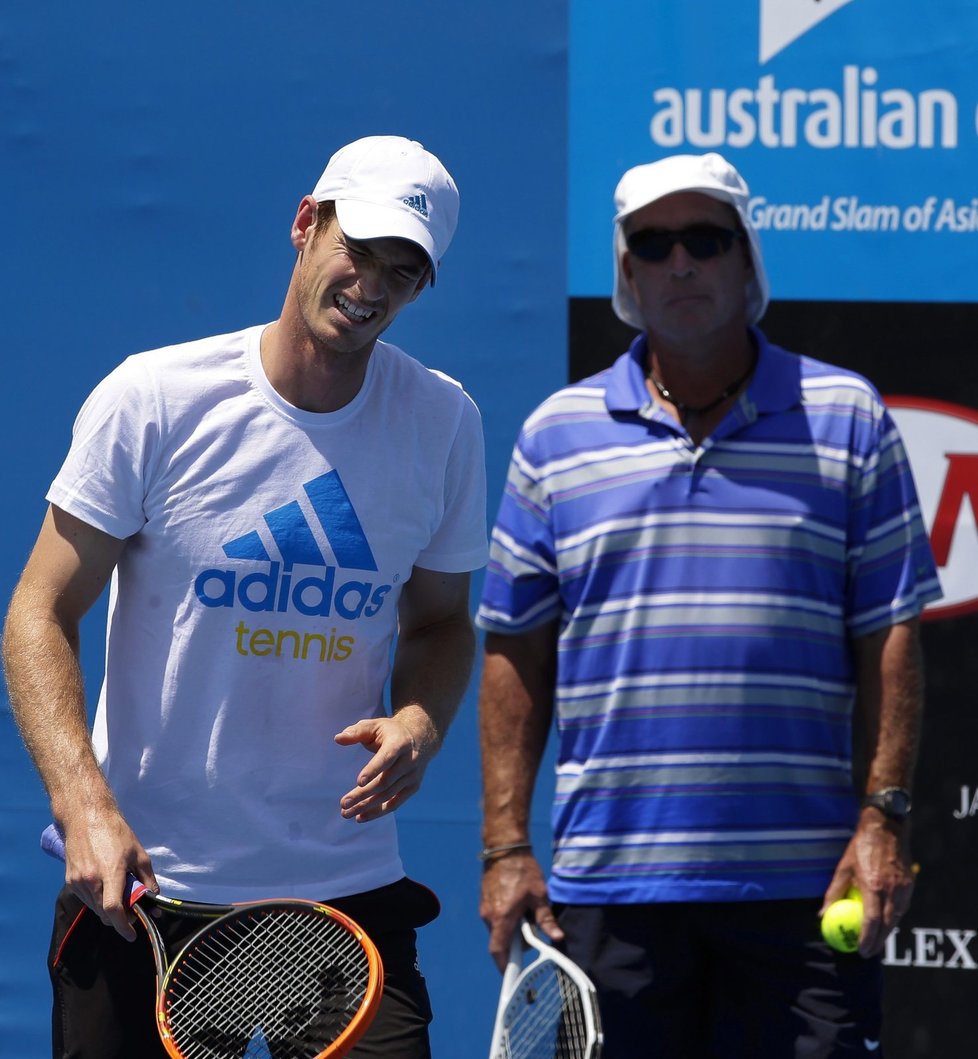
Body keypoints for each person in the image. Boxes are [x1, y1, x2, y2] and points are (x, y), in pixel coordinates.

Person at [2, 134, 487, 1059]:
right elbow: (39, 610)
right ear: (307, 226)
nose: (373, 286)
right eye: (360, 249)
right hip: (145, 894)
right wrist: (84, 805)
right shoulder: (155, 398)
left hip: (342, 896)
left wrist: (420, 718)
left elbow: (439, 622)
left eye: (404, 271)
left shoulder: (444, 420)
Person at [476, 152, 940, 1058]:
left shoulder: (847, 416)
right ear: (626, 274)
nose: (679, 263)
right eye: (653, 244)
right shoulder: (554, 434)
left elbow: (889, 634)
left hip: (805, 893)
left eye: (705, 238)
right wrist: (504, 847)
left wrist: (884, 818)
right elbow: (514, 655)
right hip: (608, 898)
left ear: (747, 260)